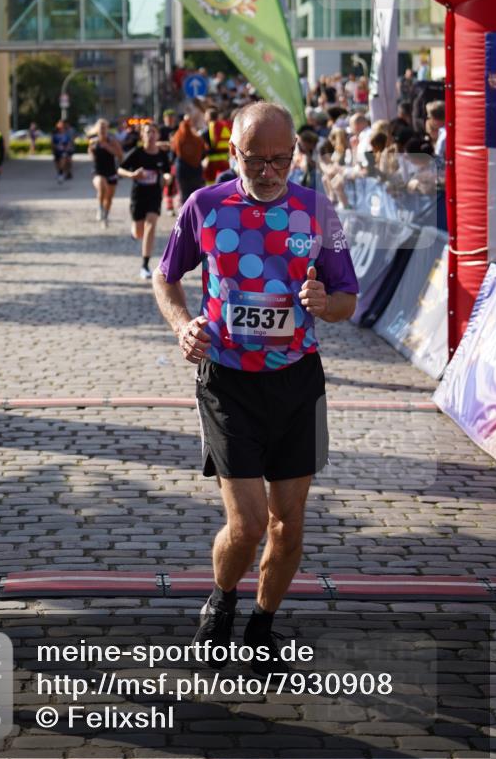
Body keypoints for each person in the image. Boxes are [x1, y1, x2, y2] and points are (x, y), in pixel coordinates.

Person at [152, 101, 358, 672]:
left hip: (298, 380)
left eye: (280, 159)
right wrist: (182, 324)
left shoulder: (319, 212)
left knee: (289, 524)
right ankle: (221, 598)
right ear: (232, 153)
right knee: (246, 524)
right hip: (227, 380)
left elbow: (346, 298)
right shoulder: (205, 206)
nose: (269, 171)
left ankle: (262, 625)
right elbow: (166, 276)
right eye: (255, 160)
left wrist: (326, 304)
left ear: (295, 153)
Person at [118, 121, 172, 279]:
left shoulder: (162, 155)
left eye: (153, 132)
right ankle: (135, 234)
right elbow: (120, 169)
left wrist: (168, 178)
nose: (151, 135)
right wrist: (132, 175)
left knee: (151, 226)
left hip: (154, 195)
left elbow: (167, 172)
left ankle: (145, 265)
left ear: (158, 135)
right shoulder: (137, 152)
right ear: (142, 135)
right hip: (138, 196)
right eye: (147, 132)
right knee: (139, 231)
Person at [89, 118, 123, 225]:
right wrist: (92, 150)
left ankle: (105, 215)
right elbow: (90, 154)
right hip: (98, 171)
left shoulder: (112, 141)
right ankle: (99, 208)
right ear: (97, 130)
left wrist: (108, 147)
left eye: (104, 128)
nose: (102, 130)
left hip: (111, 171)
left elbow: (120, 155)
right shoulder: (93, 141)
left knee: (109, 198)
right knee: (101, 185)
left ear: (107, 129)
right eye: (100, 128)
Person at [171, 115, 206, 204]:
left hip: (182, 169)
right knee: (196, 195)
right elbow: (204, 151)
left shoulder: (177, 137)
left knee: (184, 195)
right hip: (196, 170)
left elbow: (173, 152)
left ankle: (185, 214)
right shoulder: (197, 139)